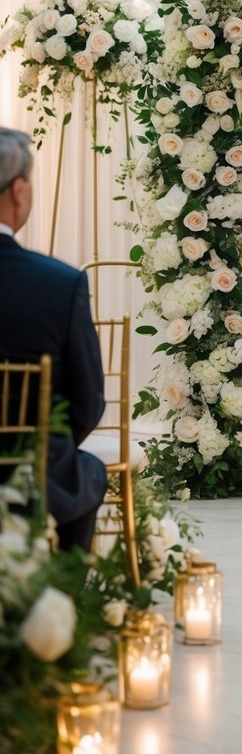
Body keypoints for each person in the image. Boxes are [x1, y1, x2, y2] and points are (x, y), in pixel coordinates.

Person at [0, 127, 107, 550]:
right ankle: (57, 599)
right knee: (83, 473)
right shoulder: (59, 284)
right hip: (30, 479)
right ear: (19, 190)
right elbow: (88, 401)